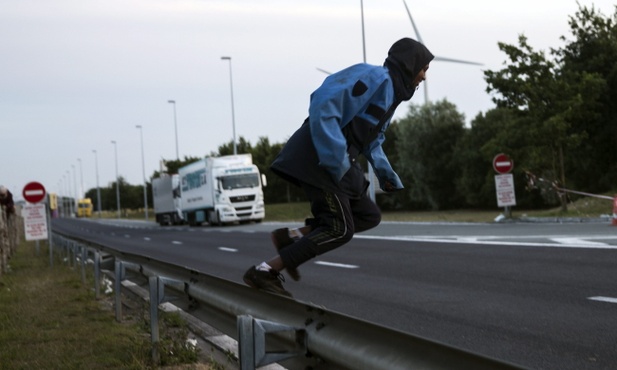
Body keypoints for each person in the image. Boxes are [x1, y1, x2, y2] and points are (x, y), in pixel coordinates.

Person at [243, 38, 434, 297]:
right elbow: (323, 102)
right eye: (423, 68)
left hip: (339, 160)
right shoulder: (374, 76)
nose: (423, 75)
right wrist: (336, 160)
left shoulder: (392, 95)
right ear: (409, 64)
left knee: (368, 215)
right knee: (339, 228)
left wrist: (386, 175)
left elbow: (374, 139)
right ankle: (265, 271)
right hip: (319, 156)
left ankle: (291, 238)